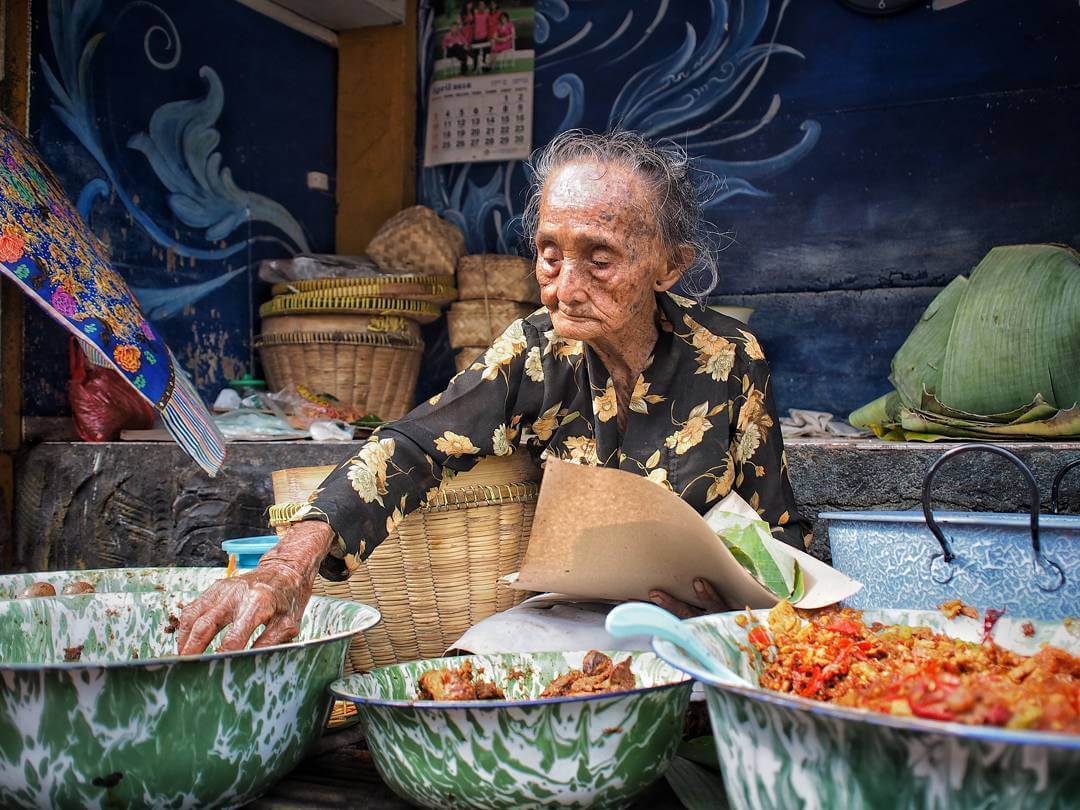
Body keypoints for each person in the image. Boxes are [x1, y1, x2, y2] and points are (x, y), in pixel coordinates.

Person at [176, 131, 807, 655]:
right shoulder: (535, 350)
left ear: (669, 265)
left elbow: (779, 533)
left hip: (703, 631)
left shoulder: (729, 358)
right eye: (550, 254)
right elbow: (413, 445)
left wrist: (742, 612)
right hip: (570, 620)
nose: (565, 287)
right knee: (476, 670)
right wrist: (286, 567)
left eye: (600, 259)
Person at [472, 1, 492, 71]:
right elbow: (472, 26)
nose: (482, 7)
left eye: (483, 5)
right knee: (475, 52)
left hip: (485, 36)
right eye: (481, 5)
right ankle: (475, 67)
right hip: (476, 37)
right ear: (478, 6)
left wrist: (489, 36)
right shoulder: (475, 15)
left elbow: (489, 25)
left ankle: (484, 66)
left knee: (486, 52)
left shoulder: (487, 14)